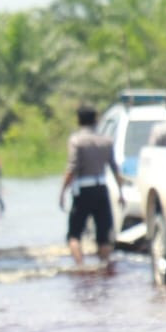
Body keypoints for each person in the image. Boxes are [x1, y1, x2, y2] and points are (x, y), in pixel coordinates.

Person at [58, 102, 125, 266]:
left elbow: (71, 168)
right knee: (104, 234)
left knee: (74, 234)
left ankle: (80, 267)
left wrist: (62, 192)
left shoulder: (76, 141)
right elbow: (115, 169)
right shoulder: (106, 141)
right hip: (101, 189)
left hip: (82, 191)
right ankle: (104, 266)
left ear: (78, 120)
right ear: (96, 120)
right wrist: (121, 193)